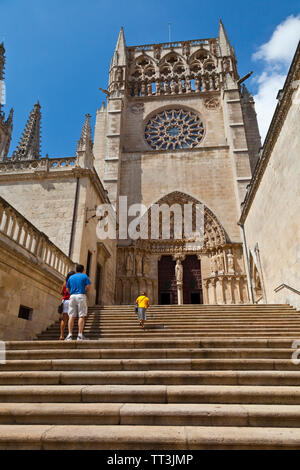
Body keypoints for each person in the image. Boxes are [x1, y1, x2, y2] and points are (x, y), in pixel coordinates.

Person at [65, 264, 91, 341]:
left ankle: (70, 335)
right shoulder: (85, 276)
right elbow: (88, 287)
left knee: (71, 316)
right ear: (83, 270)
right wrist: (84, 292)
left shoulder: (71, 277)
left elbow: (67, 289)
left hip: (72, 296)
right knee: (81, 316)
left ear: (76, 269)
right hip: (81, 295)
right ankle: (79, 335)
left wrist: (72, 293)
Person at [59, 270, 75, 340]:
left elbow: (61, 292)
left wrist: (65, 295)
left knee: (64, 318)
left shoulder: (65, 283)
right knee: (71, 318)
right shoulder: (73, 283)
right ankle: (69, 334)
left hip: (65, 301)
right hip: (71, 300)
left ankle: (61, 335)